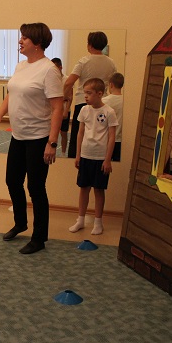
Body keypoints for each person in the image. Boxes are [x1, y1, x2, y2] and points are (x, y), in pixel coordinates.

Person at [0, 23, 63, 254]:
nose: (20, 41)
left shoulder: (49, 70)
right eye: (21, 37)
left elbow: (57, 108)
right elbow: (11, 94)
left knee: (36, 187)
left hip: (39, 137)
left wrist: (52, 142)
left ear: (38, 43)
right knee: (12, 181)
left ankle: (39, 238)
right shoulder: (21, 66)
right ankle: (20, 223)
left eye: (25, 38)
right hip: (18, 136)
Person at [69, 78, 118, 235]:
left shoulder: (109, 112)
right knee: (84, 188)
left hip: (100, 158)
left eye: (89, 93)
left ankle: (98, 222)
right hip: (85, 155)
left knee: (98, 189)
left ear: (100, 94)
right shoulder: (84, 110)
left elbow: (112, 137)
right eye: (85, 93)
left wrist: (107, 160)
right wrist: (78, 155)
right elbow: (80, 133)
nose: (86, 96)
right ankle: (80, 220)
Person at [64, 31, 117, 158]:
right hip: (102, 103)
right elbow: (113, 83)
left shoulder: (84, 61)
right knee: (101, 135)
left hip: (83, 102)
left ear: (90, 45)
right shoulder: (111, 63)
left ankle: (75, 158)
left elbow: (68, 83)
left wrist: (63, 99)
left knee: (78, 135)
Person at [102, 72, 124, 161]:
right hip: (120, 139)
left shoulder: (104, 101)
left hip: (106, 139)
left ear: (111, 85)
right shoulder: (125, 101)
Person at [51, 57, 70, 154]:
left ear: (60, 67)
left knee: (63, 133)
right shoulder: (51, 79)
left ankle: (63, 152)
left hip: (64, 109)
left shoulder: (66, 79)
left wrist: (66, 111)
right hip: (53, 110)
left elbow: (70, 97)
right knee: (51, 131)